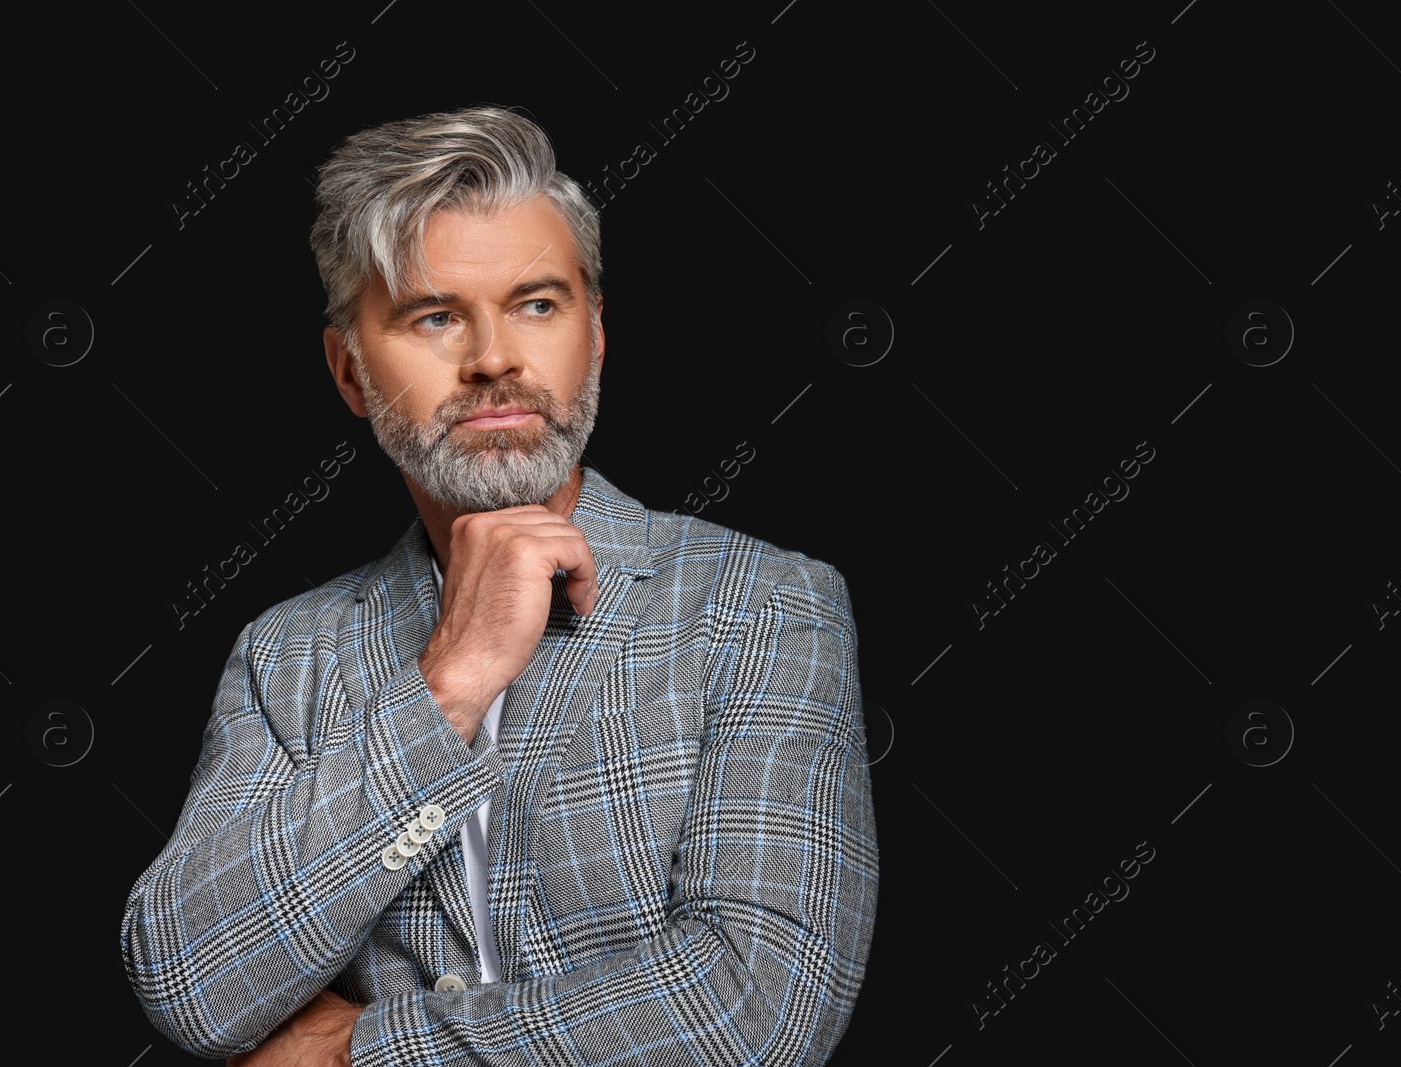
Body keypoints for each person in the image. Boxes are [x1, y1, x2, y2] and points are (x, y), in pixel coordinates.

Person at [120, 106, 879, 1067]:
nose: (494, 359)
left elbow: (753, 1011)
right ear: (350, 369)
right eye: (435, 316)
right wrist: (451, 680)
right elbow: (191, 982)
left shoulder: (764, 608)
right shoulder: (289, 653)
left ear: (594, 336)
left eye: (537, 304)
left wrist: (365, 1053)